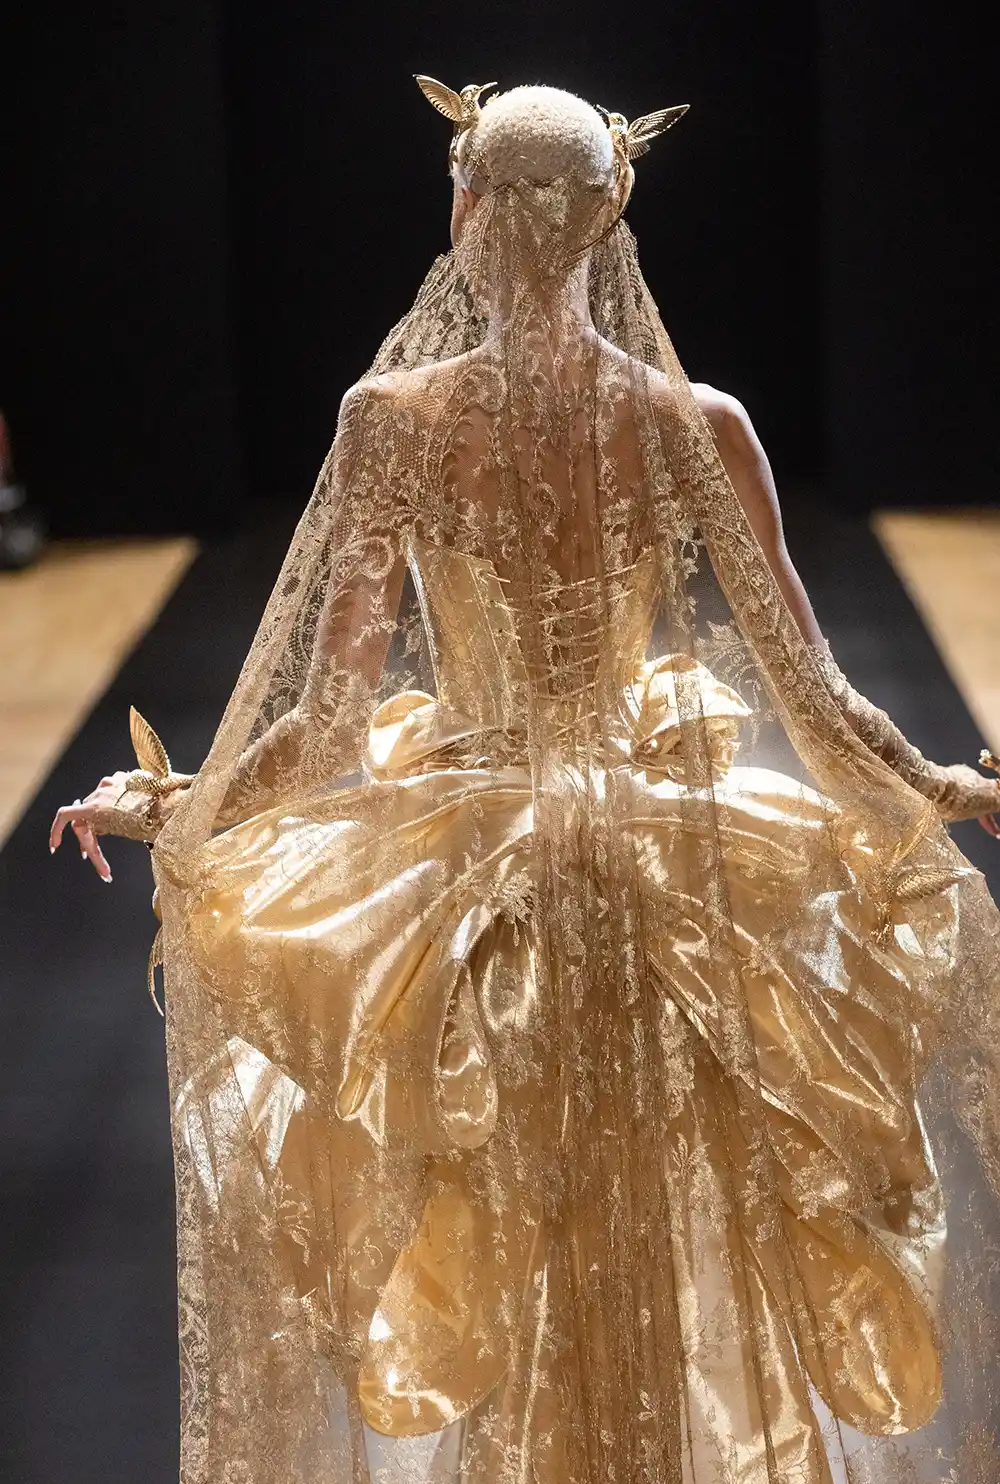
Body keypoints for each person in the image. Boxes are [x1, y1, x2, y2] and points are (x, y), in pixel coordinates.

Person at [50, 80, 1000, 1484]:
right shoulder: (700, 422)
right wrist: (956, 784)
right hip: (670, 881)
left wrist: (182, 806)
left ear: (465, 215)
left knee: (506, 1245)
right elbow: (819, 698)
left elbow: (322, 722)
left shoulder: (396, 419)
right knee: (663, 1244)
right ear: (614, 213)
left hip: (475, 885)